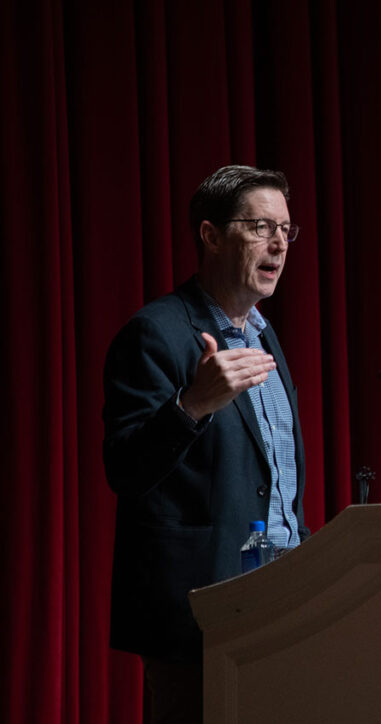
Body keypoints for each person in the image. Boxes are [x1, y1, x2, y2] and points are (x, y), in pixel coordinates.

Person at [103, 165, 310, 723]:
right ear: (211, 234)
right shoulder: (157, 332)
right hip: (201, 611)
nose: (278, 244)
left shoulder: (265, 337)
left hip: (283, 600)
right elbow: (125, 468)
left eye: (286, 231)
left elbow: (278, 481)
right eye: (260, 226)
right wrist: (192, 404)